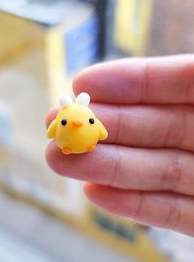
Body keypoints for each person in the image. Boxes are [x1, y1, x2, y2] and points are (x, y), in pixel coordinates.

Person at [46, 54, 194, 237]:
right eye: (65, 123)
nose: (77, 123)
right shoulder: (64, 115)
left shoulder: (87, 116)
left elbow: (100, 129)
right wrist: (60, 135)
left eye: (89, 120)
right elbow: (52, 130)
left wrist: (95, 136)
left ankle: (80, 147)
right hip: (67, 147)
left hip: (84, 145)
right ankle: (71, 148)